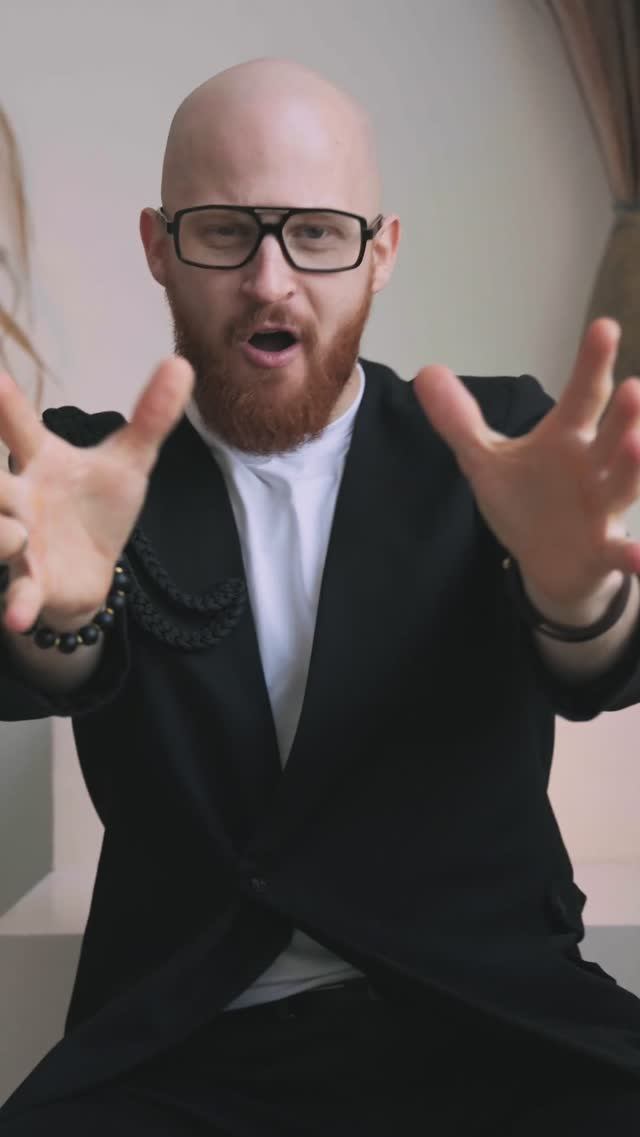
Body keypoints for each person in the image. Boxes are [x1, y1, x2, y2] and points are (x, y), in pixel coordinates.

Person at [1, 57, 640, 1136]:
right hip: (184, 1046)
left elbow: (597, 669)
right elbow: (38, 666)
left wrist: (579, 599)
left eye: (316, 232)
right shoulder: (86, 476)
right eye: (224, 230)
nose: (270, 279)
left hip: (492, 1024)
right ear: (158, 246)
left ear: (379, 252)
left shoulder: (499, 447)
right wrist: (60, 618)